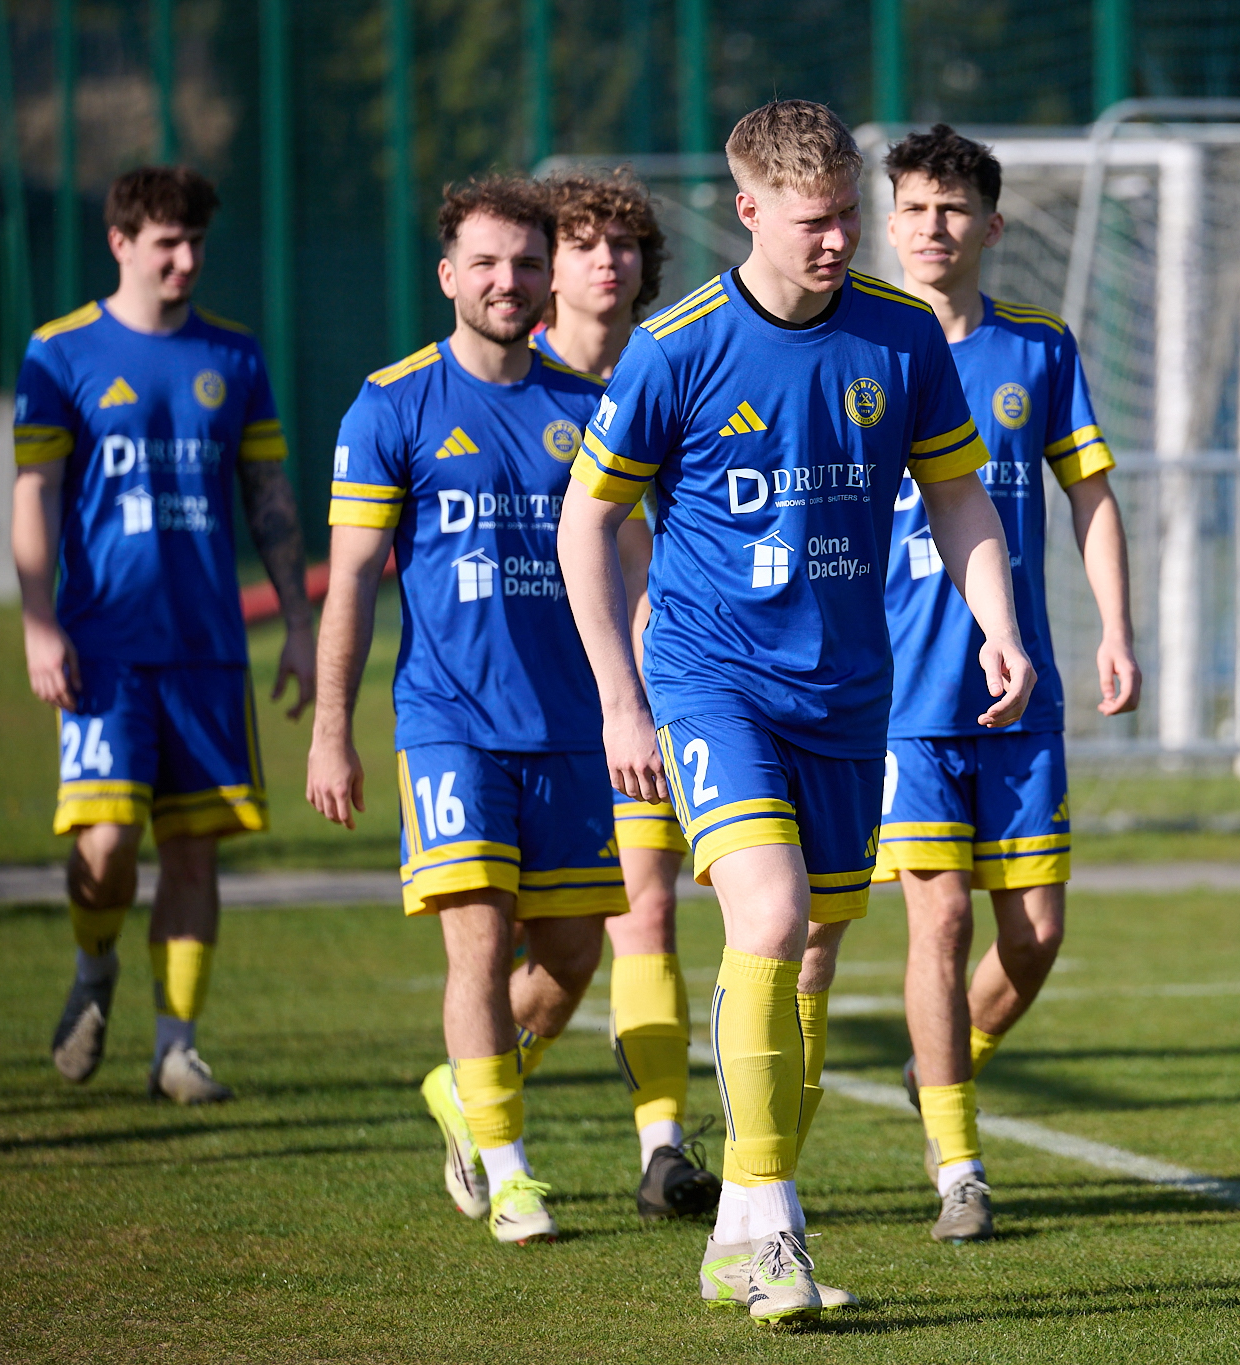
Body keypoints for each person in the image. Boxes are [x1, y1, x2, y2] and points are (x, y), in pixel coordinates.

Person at [559, 100, 1032, 1327]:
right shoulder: (676, 347)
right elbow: (584, 522)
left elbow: (958, 496)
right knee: (766, 916)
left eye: (845, 219)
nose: (837, 241)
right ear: (748, 211)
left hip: (847, 694)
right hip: (710, 679)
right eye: (812, 222)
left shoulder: (898, 336)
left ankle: (739, 1232)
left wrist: (997, 623)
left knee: (812, 947)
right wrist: (618, 700)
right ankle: (772, 1227)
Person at [307, 175, 627, 1245]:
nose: (508, 281)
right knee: (478, 949)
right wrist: (331, 732)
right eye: (486, 263)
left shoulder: (590, 408)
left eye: (527, 263)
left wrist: (641, 704)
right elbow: (352, 582)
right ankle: (511, 1167)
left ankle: (465, 1088)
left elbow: (630, 571)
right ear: (448, 276)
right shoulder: (390, 403)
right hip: (449, 723)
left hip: (573, 731)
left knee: (572, 958)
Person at [874, 126, 1141, 1242]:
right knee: (937, 919)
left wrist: (1114, 628)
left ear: (990, 225)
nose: (932, 227)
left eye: (953, 209)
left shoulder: (1037, 348)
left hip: (1020, 696)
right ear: (890, 222)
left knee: (1033, 937)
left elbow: (1090, 495)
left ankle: (935, 1069)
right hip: (900, 699)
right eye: (914, 208)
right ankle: (959, 1167)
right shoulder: (855, 345)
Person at [16, 165, 314, 1105]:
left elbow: (268, 496)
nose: (186, 260)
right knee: (105, 844)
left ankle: (176, 1048)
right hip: (104, 647)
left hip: (208, 652)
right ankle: (94, 961)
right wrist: (38, 621)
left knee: (192, 852)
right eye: (166, 244)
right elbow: (35, 493)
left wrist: (297, 623)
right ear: (121, 244)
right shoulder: (60, 352)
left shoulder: (235, 357)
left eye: (196, 243)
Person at [533, 169, 720, 1221]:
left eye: (624, 242)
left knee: (646, 910)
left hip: (640, 700)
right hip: (517, 711)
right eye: (584, 243)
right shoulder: (506, 380)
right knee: (543, 957)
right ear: (548, 267)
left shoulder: (668, 372)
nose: (608, 259)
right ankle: (478, 1091)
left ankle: (662, 1150)